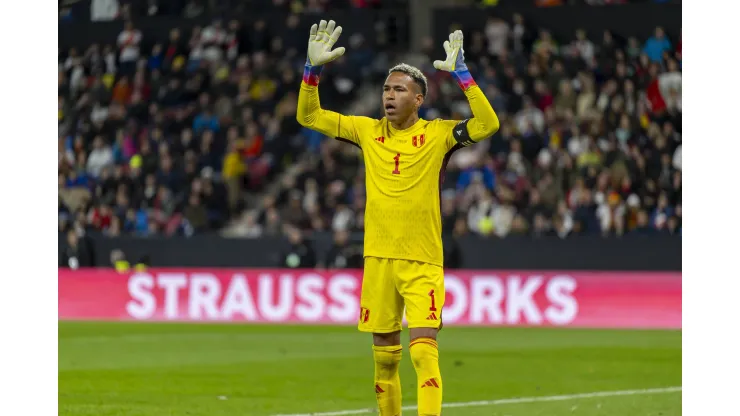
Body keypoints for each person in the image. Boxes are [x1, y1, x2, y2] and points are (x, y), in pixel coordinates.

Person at [296, 20, 500, 415]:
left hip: (422, 259)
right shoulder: (367, 131)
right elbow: (309, 117)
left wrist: (464, 76)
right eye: (386, 89)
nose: (389, 96)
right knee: (384, 361)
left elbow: (488, 124)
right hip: (378, 258)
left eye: (399, 90)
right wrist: (311, 70)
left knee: (423, 354)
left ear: (418, 99)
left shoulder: (439, 134)